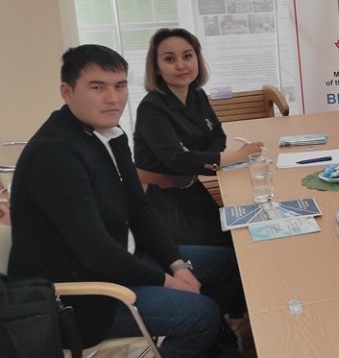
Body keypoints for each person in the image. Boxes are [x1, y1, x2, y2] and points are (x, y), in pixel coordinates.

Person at [8, 44, 244, 357]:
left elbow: (140, 209)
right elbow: (96, 252)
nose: (113, 98)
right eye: (97, 87)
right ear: (67, 92)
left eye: (119, 86)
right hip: (82, 299)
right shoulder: (56, 156)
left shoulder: (109, 133)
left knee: (228, 264)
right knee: (201, 316)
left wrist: (176, 264)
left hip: (126, 259)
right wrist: (167, 281)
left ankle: (214, 343)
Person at [133, 28, 262, 247]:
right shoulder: (151, 108)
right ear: (156, 68)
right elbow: (178, 159)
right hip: (160, 199)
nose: (181, 65)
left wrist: (207, 160)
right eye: (169, 59)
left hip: (191, 187)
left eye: (187, 56)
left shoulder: (197, 95)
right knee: (226, 252)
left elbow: (217, 134)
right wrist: (236, 157)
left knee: (237, 238)